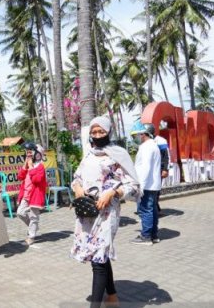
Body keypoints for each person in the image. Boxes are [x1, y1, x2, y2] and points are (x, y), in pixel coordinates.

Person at [70, 116, 141, 308]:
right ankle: (112, 297)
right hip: (87, 212)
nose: (97, 135)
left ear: (109, 132)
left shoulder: (118, 154)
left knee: (98, 260)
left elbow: (134, 185)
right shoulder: (89, 155)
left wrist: (112, 192)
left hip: (107, 213)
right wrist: (76, 187)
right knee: (99, 256)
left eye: (101, 132)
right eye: (94, 132)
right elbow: (77, 177)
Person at [130, 121, 162, 245]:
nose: (134, 139)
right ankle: (153, 235)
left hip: (147, 184)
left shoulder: (147, 147)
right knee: (152, 209)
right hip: (152, 184)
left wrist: (140, 186)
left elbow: (145, 168)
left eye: (134, 136)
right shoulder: (152, 146)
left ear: (142, 134)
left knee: (145, 210)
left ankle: (146, 236)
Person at [16, 142, 47, 245]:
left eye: (30, 153)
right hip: (26, 194)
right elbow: (20, 177)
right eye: (27, 153)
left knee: (34, 216)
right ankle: (33, 227)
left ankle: (31, 236)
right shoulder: (28, 165)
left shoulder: (40, 166)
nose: (28, 155)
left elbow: (37, 180)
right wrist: (26, 165)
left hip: (35, 196)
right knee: (20, 213)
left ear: (37, 154)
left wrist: (31, 167)